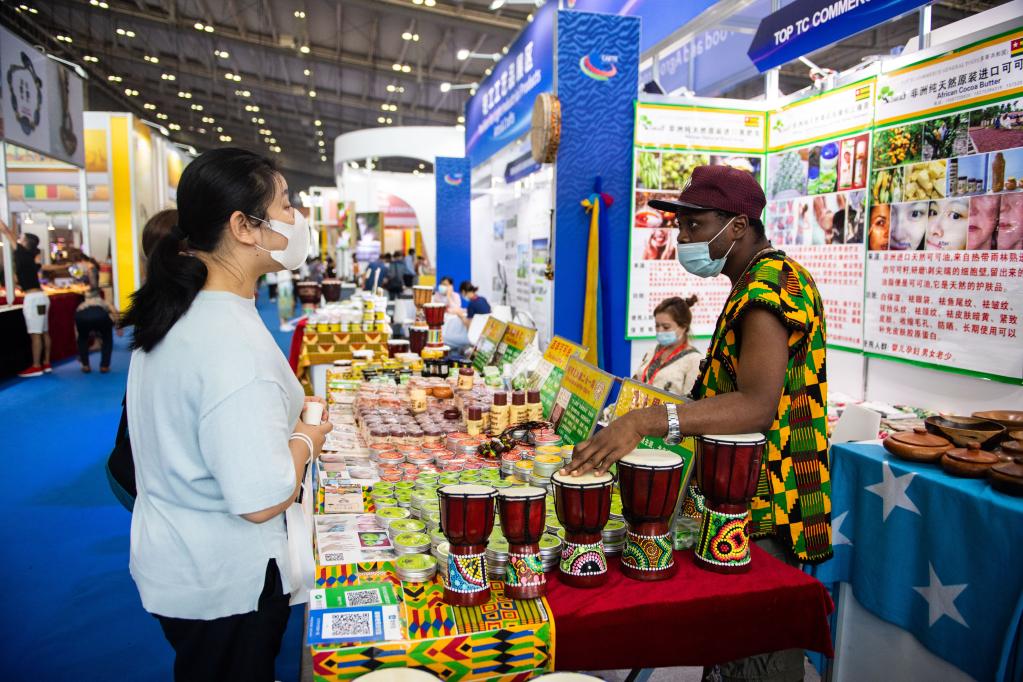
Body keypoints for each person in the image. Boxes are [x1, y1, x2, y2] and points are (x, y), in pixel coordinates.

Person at [567, 165, 831, 682]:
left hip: (765, 499)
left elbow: (756, 405)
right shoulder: (756, 280)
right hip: (741, 495)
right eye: (680, 226)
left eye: (695, 224)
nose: (683, 238)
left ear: (738, 225)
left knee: (754, 657)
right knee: (729, 647)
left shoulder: (769, 288)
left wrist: (646, 421)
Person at [120, 148, 332, 681]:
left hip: (181, 558)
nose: (296, 219)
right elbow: (262, 498)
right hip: (224, 578)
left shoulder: (184, 311)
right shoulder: (227, 341)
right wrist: (306, 438)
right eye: (285, 205)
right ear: (243, 226)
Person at [1, 218, 51, 377]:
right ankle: (46, 362)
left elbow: (6, 231)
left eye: (21, 237)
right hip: (41, 297)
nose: (18, 238)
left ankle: (36, 366)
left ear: (24, 242)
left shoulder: (22, 253)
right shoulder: (29, 257)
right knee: (44, 331)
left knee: (35, 333)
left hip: (33, 299)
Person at [633, 296, 701, 396]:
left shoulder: (694, 360)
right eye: (657, 325)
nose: (660, 331)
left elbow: (692, 401)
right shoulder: (653, 350)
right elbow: (636, 380)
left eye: (666, 327)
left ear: (683, 327)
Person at [75, 287, 120, 373]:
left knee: (82, 338)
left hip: (81, 317)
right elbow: (114, 311)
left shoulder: (82, 305)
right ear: (99, 295)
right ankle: (104, 366)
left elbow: (76, 325)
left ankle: (85, 365)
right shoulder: (102, 301)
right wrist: (118, 326)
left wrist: (79, 347)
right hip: (100, 316)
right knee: (107, 338)